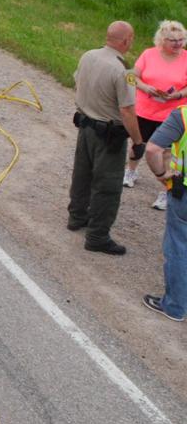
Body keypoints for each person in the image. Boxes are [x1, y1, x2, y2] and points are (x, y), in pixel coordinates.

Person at [67, 21, 146, 255]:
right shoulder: (124, 71)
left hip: (85, 125)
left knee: (82, 174)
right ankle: (98, 236)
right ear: (126, 40)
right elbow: (127, 111)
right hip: (109, 135)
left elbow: (77, 81)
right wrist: (138, 141)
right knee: (107, 185)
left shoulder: (88, 56)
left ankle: (77, 217)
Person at [124, 20, 187, 210]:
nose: (178, 44)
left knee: (167, 153)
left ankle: (165, 190)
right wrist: (145, 87)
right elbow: (131, 75)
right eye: (172, 40)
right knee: (138, 143)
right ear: (161, 40)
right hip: (145, 109)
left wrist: (179, 94)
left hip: (172, 115)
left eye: (181, 39)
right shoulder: (148, 54)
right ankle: (131, 172)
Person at [141, 104, 187, 321]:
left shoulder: (183, 115)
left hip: (183, 192)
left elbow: (153, 149)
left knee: (178, 246)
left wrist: (161, 174)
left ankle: (175, 306)